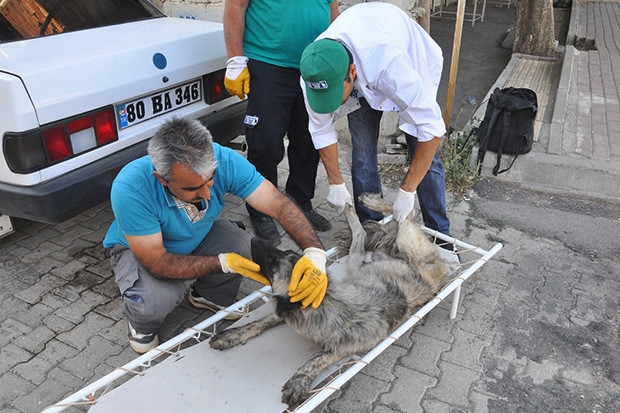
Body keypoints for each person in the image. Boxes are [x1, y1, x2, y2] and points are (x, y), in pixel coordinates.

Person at [102, 117, 329, 353]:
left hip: (196, 233)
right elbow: (158, 262)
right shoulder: (131, 188)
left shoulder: (223, 159)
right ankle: (142, 324)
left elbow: (278, 205)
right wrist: (222, 263)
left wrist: (314, 252)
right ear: (162, 178)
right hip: (146, 251)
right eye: (192, 189)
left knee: (243, 245)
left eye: (210, 181)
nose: (207, 194)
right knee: (153, 300)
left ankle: (208, 295)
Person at [299, 2, 453, 243]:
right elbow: (320, 128)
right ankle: (371, 229)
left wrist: (407, 190)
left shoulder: (391, 68)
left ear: (351, 72)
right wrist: (335, 182)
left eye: (336, 97)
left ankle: (441, 235)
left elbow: (432, 130)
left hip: (401, 55)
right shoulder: (315, 70)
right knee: (362, 153)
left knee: (422, 148)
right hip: (361, 62)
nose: (332, 106)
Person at [223, 0, 339, 243]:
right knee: (265, 142)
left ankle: (300, 202)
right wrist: (235, 59)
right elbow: (236, 5)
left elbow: (332, 8)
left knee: (309, 140)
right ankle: (262, 209)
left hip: (314, 65)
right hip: (268, 63)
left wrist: (335, 56)